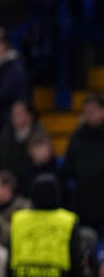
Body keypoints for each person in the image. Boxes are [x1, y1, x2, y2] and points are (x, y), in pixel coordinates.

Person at [62, 93, 104, 237]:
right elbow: (68, 167)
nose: (88, 116)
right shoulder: (77, 136)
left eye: (92, 112)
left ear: (102, 111)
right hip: (83, 200)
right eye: (86, 112)